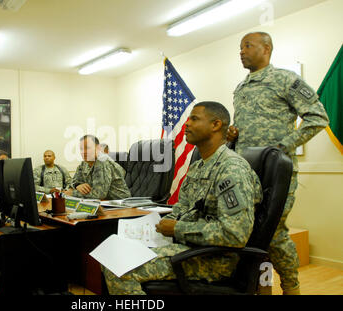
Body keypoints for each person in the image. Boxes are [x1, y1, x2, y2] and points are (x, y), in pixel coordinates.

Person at [102, 102, 262, 294]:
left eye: (194, 119)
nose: (186, 124)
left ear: (216, 124)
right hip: (185, 246)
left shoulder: (231, 169)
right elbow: (181, 209)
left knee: (118, 267)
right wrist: (154, 230)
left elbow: (235, 235)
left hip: (212, 259)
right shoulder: (198, 167)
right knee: (112, 253)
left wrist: (178, 229)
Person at [228, 32, 330, 295]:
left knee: (273, 232)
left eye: (247, 46)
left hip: (276, 173)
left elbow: (318, 117)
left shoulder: (285, 79)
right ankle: (262, 287)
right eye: (240, 47)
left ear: (266, 48)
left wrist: (283, 146)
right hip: (245, 172)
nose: (241, 51)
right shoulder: (241, 88)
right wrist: (233, 135)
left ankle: (291, 286)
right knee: (250, 233)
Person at [64, 135, 131, 200]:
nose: (83, 152)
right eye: (81, 149)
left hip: (120, 204)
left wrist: (72, 193)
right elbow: (71, 184)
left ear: (98, 148)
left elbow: (99, 194)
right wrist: (77, 185)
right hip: (101, 203)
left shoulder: (102, 162)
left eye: (87, 148)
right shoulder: (83, 164)